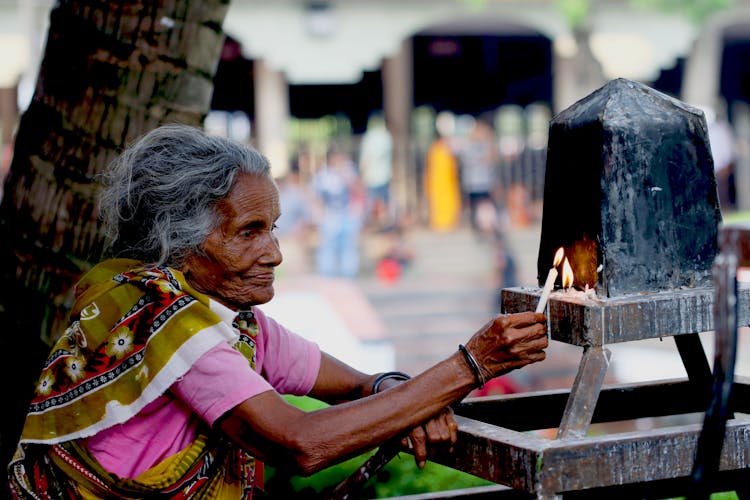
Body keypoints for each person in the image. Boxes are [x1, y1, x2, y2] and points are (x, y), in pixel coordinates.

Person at [7, 124, 549, 499]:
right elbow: (300, 443)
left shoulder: (230, 319)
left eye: (272, 228)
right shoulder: (157, 315)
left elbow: (359, 386)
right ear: (182, 242)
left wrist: (403, 395)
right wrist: (470, 365)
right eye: (248, 233)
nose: (275, 253)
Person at [311, 145, 366, 278]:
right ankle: (327, 276)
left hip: (348, 214)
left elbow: (359, 191)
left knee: (348, 247)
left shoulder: (350, 173)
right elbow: (315, 196)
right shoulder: (323, 175)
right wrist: (319, 213)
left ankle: (349, 276)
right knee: (328, 247)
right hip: (330, 215)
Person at [423, 112, 462, 232]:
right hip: (438, 183)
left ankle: (448, 222)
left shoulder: (447, 148)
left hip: (448, 182)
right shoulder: (435, 148)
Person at [358, 113, 393, 229]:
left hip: (371, 177)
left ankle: (375, 226)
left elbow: (366, 158)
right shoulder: (386, 136)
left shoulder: (369, 137)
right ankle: (384, 226)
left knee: (373, 204)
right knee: (383, 204)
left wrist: (362, 174)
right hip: (384, 176)